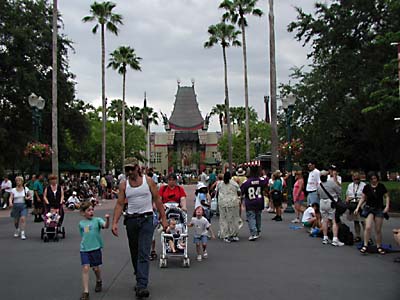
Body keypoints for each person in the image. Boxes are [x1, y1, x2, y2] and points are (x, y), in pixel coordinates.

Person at [112, 157, 167, 299]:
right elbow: (119, 204)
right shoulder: (124, 185)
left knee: (144, 252)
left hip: (146, 219)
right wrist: (114, 223)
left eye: (131, 168)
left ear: (138, 168)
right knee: (134, 251)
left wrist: (164, 218)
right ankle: (139, 275)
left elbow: (157, 200)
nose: (129, 172)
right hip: (131, 220)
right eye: (127, 169)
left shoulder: (148, 182)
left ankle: (142, 285)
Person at [79, 201, 110, 300]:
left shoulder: (97, 220)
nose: (91, 212)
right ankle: (86, 292)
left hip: (95, 248)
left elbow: (105, 226)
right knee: (85, 268)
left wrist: (108, 219)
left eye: (92, 209)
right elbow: (83, 235)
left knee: (96, 268)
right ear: (83, 213)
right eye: (88, 210)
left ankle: (99, 280)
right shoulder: (81, 223)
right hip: (84, 248)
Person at [354, 172, 390, 255]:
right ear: (369, 179)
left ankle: (379, 246)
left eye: (375, 178)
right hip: (369, 208)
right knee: (368, 227)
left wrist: (387, 206)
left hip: (379, 209)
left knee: (378, 229)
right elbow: (363, 198)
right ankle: (365, 245)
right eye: (372, 179)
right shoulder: (367, 187)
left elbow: (387, 196)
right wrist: (358, 207)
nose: (374, 180)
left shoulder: (381, 186)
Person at [241, 166, 268, 240]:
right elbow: (266, 180)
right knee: (258, 216)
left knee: (251, 217)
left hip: (250, 201)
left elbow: (241, 191)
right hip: (259, 201)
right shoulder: (261, 180)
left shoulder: (247, 182)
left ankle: (253, 233)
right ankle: (258, 231)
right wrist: (264, 174)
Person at [317, 170, 343, 246]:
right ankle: (335, 239)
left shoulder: (319, 185)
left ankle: (325, 237)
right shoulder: (331, 183)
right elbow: (339, 191)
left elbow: (318, 194)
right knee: (334, 220)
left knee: (325, 220)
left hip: (322, 202)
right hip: (331, 202)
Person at [216, 171, 241, 243]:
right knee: (233, 219)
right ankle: (233, 234)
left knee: (223, 219)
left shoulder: (220, 184)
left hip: (222, 203)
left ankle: (225, 234)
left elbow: (216, 192)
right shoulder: (234, 183)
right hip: (233, 203)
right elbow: (239, 192)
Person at [345, 172, 366, 243]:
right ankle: (358, 236)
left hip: (361, 204)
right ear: (352, 178)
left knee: (363, 221)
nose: (356, 180)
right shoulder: (350, 185)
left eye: (357, 178)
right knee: (356, 221)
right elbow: (347, 195)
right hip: (353, 204)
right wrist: (348, 199)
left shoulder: (364, 185)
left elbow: (366, 196)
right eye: (355, 178)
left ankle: (367, 236)